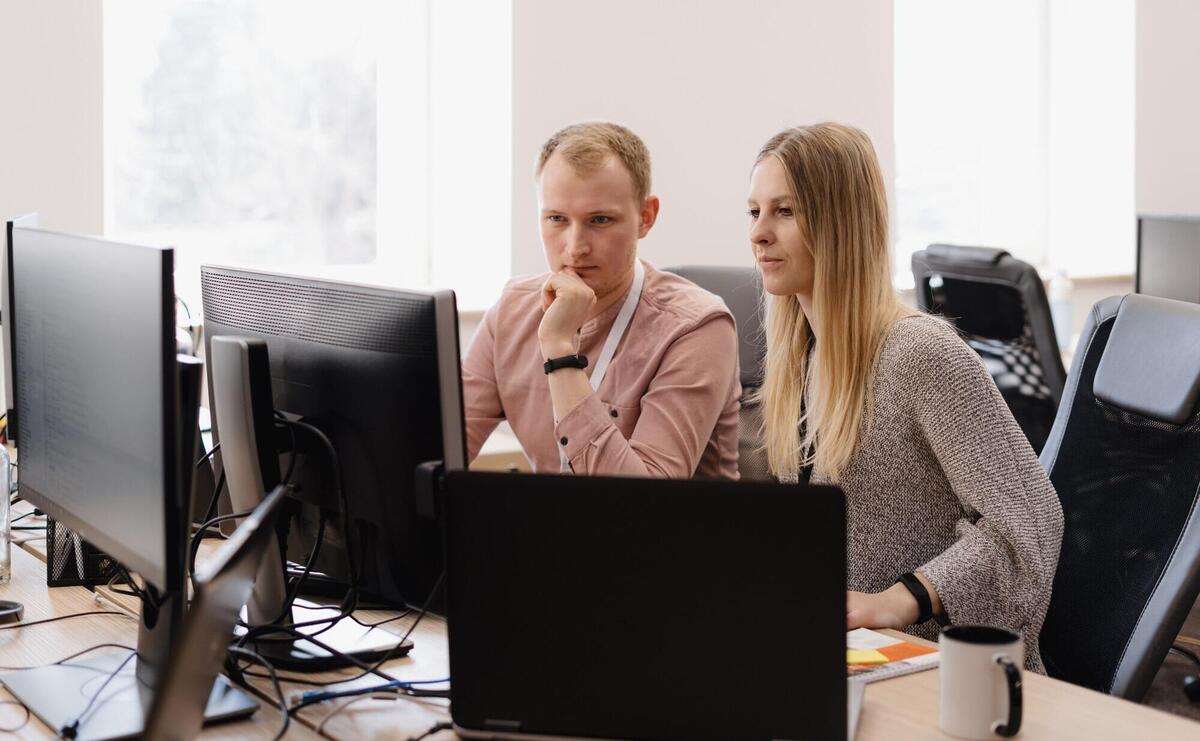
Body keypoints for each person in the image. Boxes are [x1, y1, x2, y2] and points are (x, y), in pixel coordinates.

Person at [746, 122, 1063, 670]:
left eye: (785, 211)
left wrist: (897, 601)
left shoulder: (920, 354)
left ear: (840, 223)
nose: (759, 234)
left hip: (940, 670)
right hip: (846, 660)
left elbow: (1031, 521)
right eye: (754, 212)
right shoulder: (801, 355)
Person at [463, 122, 740, 477]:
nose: (575, 247)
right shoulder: (511, 312)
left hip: (663, 532)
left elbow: (641, 507)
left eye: (600, 220)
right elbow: (435, 448)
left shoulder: (699, 328)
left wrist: (560, 350)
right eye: (557, 219)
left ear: (646, 217)